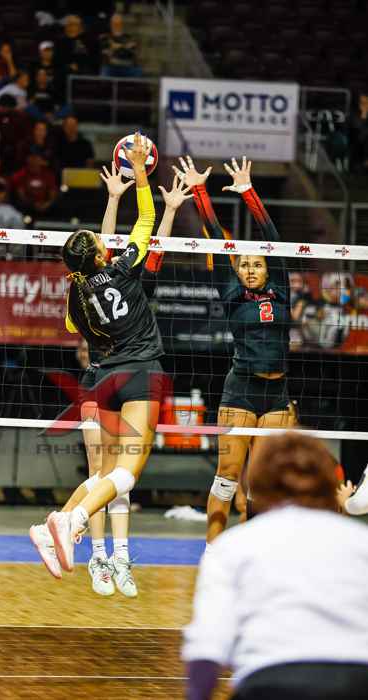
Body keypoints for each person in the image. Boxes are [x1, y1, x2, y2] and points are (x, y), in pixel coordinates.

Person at [30, 134, 183, 578]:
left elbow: (73, 325)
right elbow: (147, 217)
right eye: (98, 241)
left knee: (105, 474)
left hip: (103, 380)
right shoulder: (125, 269)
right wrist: (141, 171)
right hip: (141, 372)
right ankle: (74, 523)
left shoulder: (74, 297)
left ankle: (53, 525)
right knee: (127, 474)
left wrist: (113, 199)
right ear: (101, 254)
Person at [72, 164, 192, 597]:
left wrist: (169, 210)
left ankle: (120, 557)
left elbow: (143, 245)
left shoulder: (131, 277)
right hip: (100, 375)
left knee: (119, 476)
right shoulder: (109, 276)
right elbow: (115, 246)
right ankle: (97, 557)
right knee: (102, 472)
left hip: (126, 374)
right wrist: (116, 198)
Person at [183, 432, 368, 700]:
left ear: (258, 483)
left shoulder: (234, 546)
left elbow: (207, 644)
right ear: (328, 482)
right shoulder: (360, 540)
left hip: (271, 679)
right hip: (355, 680)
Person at [175, 155, 292, 545]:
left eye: (258, 264)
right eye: (245, 265)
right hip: (240, 390)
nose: (251, 269)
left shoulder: (282, 290)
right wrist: (199, 191)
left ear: (267, 268)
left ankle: (253, 553)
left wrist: (247, 191)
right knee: (227, 476)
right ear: (238, 270)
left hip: (277, 395)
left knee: (262, 482)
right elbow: (214, 235)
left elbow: (272, 236)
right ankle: (213, 552)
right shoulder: (231, 292)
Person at [11, 149, 58, 217]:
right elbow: (22, 196)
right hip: (27, 208)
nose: (34, 160)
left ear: (41, 160)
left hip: (46, 207)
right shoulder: (20, 175)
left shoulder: (49, 175)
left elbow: (52, 194)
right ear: (27, 159)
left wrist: (47, 204)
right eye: (31, 157)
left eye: (36, 157)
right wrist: (33, 204)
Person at [100, 13, 142, 78]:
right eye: (114, 23)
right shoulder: (105, 37)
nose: (116, 25)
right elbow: (106, 52)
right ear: (111, 24)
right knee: (104, 70)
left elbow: (133, 51)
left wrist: (116, 47)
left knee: (138, 70)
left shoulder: (128, 37)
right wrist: (125, 47)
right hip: (111, 67)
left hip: (127, 66)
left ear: (121, 24)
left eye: (118, 23)